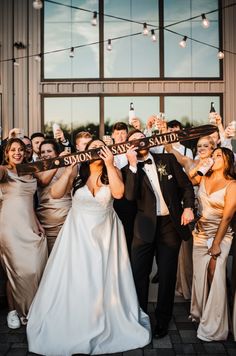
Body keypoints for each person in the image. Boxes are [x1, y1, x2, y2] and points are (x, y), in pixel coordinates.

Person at [27, 138, 151, 355]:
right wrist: (68, 171)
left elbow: (119, 193)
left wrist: (110, 164)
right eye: (92, 148)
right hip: (77, 234)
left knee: (103, 276)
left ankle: (107, 317)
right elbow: (56, 194)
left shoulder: (112, 171)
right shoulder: (78, 174)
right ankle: (75, 320)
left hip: (106, 234)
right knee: (78, 276)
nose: (96, 152)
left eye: (100, 148)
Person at [124, 129, 195, 338]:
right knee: (139, 275)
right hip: (144, 227)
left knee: (166, 275)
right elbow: (129, 195)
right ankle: (140, 317)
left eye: (140, 138)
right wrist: (133, 166)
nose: (138, 142)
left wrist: (189, 207)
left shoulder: (167, 158)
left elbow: (186, 186)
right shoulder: (128, 169)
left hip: (169, 225)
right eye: (133, 141)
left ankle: (163, 320)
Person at [189, 147, 236, 341]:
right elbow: (189, 180)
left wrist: (216, 243)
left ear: (228, 161)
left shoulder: (232, 184)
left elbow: (227, 218)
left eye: (219, 156)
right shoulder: (204, 177)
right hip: (200, 234)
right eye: (213, 154)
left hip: (221, 234)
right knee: (200, 275)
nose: (214, 158)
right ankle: (203, 312)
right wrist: (200, 166)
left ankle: (215, 321)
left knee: (214, 272)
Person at [0, 138, 48, 328]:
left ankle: (32, 308)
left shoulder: (30, 171)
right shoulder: (4, 170)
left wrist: (37, 222)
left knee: (34, 269)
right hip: (9, 227)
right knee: (15, 271)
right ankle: (14, 311)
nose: (17, 153)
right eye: (13, 150)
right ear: (7, 153)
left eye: (21, 149)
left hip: (29, 224)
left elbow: (29, 200)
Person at [36, 139, 72, 253]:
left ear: (56, 152)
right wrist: (57, 162)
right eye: (43, 152)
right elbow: (43, 181)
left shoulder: (67, 167)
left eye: (49, 151)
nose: (45, 154)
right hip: (47, 218)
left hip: (66, 216)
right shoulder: (37, 168)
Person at [112, 122, 137, 256]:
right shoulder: (108, 152)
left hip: (131, 200)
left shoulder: (133, 152)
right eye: (117, 133)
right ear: (112, 135)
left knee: (128, 235)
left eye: (123, 133)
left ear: (127, 134)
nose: (120, 136)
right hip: (112, 200)